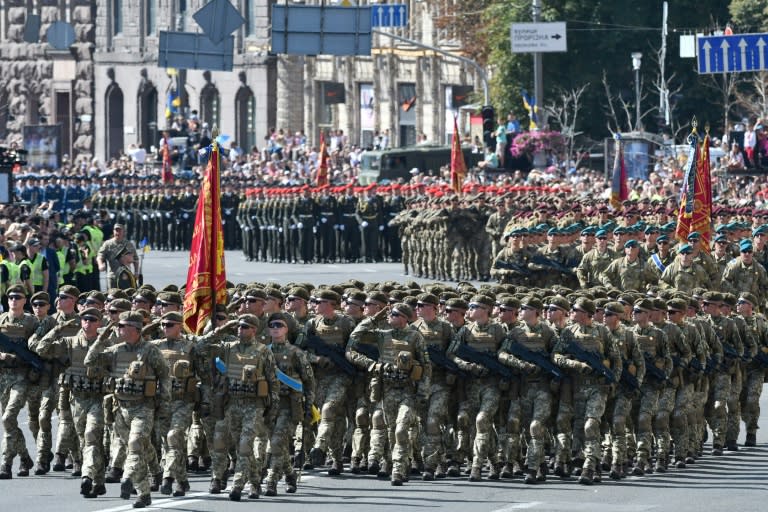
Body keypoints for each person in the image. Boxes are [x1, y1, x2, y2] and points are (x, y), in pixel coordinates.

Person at [84, 311, 171, 509]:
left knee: (135, 445)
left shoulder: (150, 351)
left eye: (123, 326)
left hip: (143, 406)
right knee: (141, 447)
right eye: (119, 326)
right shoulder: (115, 350)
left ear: (136, 329)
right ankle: (145, 492)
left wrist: (164, 403)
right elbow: (90, 361)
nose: (119, 329)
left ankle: (128, 477)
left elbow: (164, 376)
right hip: (120, 408)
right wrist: (102, 337)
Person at [194, 314, 279, 501]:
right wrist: (221, 330)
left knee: (245, 445)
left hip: (253, 405)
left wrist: (272, 408)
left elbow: (273, 381)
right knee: (241, 447)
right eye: (239, 327)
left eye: (245, 327)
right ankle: (255, 482)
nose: (241, 330)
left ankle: (238, 485)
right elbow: (200, 347)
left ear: (254, 330)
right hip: (232, 404)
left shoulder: (263, 351)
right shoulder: (227, 348)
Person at [347, 302, 430, 485]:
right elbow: (356, 336)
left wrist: (423, 392)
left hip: (408, 390)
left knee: (401, 429)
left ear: (404, 318)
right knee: (393, 431)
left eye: (393, 314)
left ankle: (398, 469)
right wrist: (375, 317)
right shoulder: (383, 336)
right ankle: (399, 465)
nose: (389, 317)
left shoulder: (415, 337)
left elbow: (426, 366)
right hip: (387, 389)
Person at [29, 308, 108, 498]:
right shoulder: (69, 343)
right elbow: (40, 348)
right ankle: (98, 481)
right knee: (85, 441)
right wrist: (57, 329)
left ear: (99, 323)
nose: (88, 322)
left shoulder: (106, 343)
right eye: (85, 319)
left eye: (92, 319)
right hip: (78, 400)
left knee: (90, 436)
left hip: (98, 399)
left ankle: (87, 477)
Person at [263, 312, 315, 495]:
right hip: (268, 405)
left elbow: (308, 382)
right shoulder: (262, 352)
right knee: (277, 444)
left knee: (277, 442)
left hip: (288, 404)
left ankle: (271, 481)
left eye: (279, 325)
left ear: (287, 329)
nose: (275, 328)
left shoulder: (296, 353)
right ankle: (290, 473)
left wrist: (309, 407)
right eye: (272, 325)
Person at [0, 285, 40, 479]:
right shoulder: (0, 321)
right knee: (9, 422)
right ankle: (24, 457)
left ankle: (5, 463)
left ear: (25, 300)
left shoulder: (32, 322)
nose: (14, 300)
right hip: (3, 377)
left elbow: (39, 349)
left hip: (22, 377)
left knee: (7, 418)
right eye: (10, 297)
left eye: (18, 297)